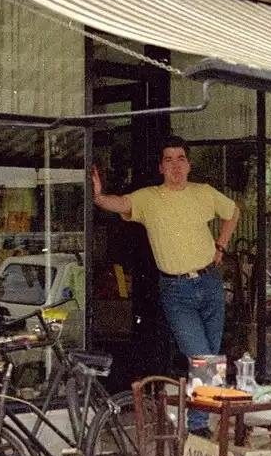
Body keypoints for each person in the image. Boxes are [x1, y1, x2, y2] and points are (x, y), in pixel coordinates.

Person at [93, 136, 238, 434]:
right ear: (161, 167)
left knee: (209, 355)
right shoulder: (149, 198)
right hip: (177, 291)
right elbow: (119, 203)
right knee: (202, 356)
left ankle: (206, 423)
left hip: (209, 282)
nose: (175, 165)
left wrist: (221, 244)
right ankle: (201, 426)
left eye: (180, 158)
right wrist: (98, 196)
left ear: (189, 164)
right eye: (168, 159)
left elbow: (233, 211)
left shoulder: (204, 193)